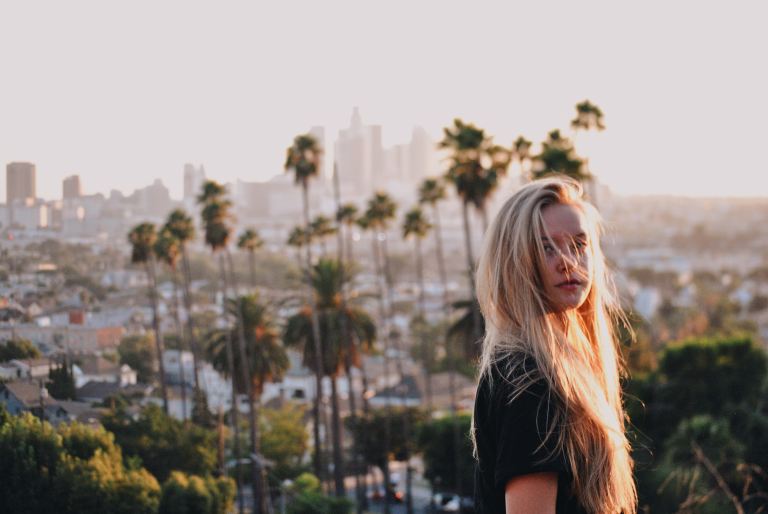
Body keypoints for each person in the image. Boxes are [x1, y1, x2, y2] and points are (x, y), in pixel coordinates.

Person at [471, 177, 637, 514]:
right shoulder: (532, 383)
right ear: (515, 261)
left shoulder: (550, 369)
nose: (568, 261)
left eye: (579, 243)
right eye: (547, 247)